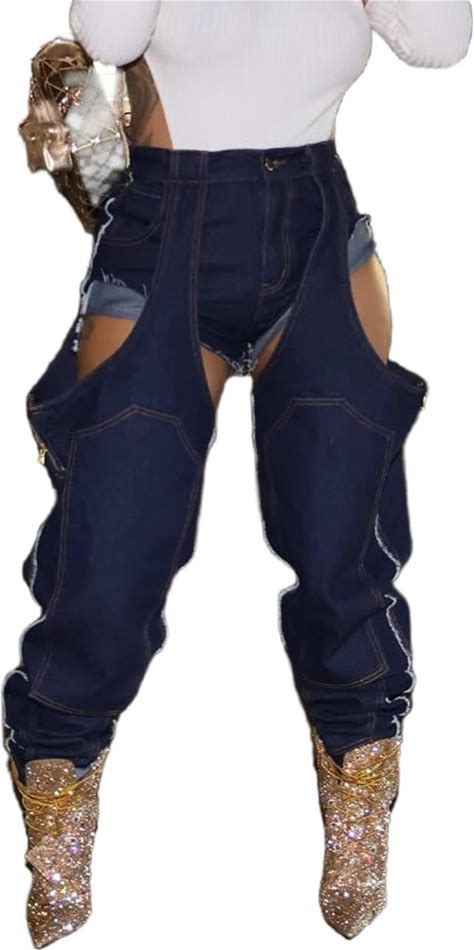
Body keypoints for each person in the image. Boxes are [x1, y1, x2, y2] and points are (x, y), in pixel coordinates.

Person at [3, 2, 472, 947]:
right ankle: (57, 774)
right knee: (115, 541)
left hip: (315, 224)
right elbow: (111, 36)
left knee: (343, 536)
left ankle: (359, 781)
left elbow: (441, 40)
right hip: (164, 225)